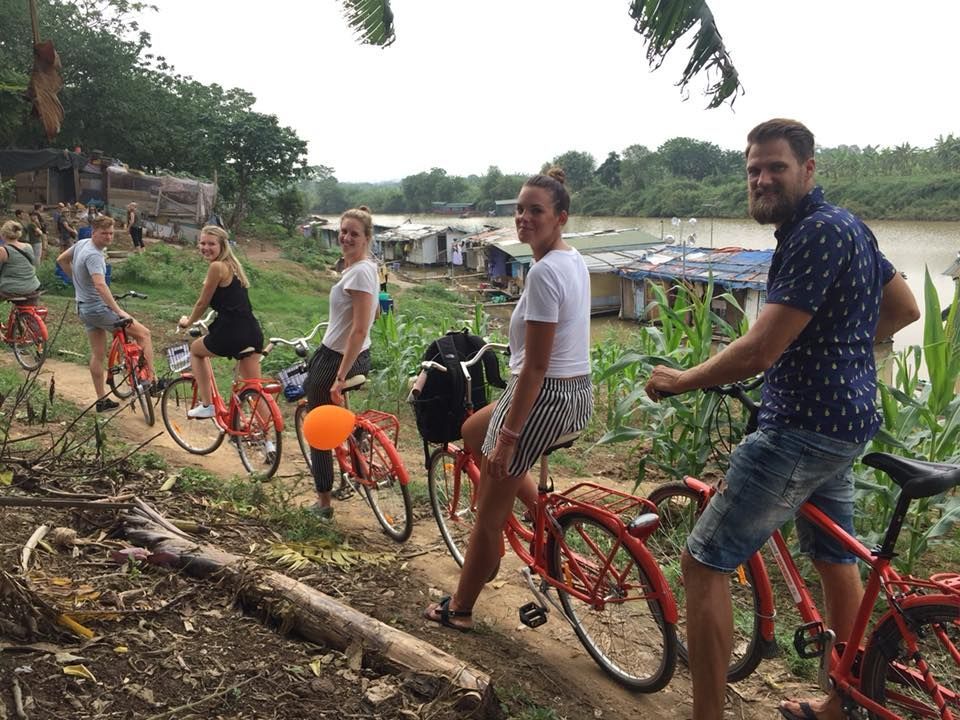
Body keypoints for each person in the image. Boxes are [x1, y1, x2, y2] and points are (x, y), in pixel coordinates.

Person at [644, 119, 920, 720]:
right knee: (835, 557)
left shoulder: (812, 234)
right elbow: (903, 307)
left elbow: (759, 350)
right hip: (845, 424)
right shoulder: (848, 225)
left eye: (777, 167)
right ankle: (843, 701)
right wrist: (838, 342)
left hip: (800, 428)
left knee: (703, 562)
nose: (762, 179)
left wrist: (681, 379)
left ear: (809, 169)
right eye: (754, 170)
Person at [422, 168, 593, 631]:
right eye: (519, 209)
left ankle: (460, 608)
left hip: (543, 397)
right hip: (576, 394)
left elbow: (535, 367)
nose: (523, 217)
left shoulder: (543, 273)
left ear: (560, 217)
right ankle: (541, 513)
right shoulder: (571, 259)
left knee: (487, 516)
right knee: (473, 430)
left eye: (536, 210)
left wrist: (510, 438)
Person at [302, 206, 380, 520]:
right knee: (334, 414)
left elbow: (359, 329)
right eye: (343, 231)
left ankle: (323, 503)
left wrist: (339, 376)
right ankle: (354, 443)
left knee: (317, 426)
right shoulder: (367, 268)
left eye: (353, 234)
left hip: (337, 358)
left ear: (367, 238)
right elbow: (374, 315)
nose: (346, 238)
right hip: (359, 356)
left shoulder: (359, 272)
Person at [176, 226, 267, 447]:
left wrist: (189, 322)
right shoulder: (233, 266)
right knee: (255, 388)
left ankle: (207, 405)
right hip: (251, 331)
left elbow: (202, 302)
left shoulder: (216, 267)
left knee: (196, 351)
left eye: (211, 244)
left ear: (222, 246)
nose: (205, 247)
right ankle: (268, 440)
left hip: (231, 331)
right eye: (202, 243)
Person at [57, 216, 159, 412]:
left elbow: (61, 260)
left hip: (84, 308)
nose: (109, 237)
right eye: (104, 233)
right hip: (98, 308)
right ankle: (151, 381)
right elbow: (100, 285)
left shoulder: (82, 244)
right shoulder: (94, 255)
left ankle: (101, 400)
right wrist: (118, 310)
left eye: (111, 233)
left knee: (98, 354)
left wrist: (78, 282)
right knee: (144, 334)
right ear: (94, 232)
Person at [0, 221, 41, 299]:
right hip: (32, 286)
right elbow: (32, 264)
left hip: (12, 288)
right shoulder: (28, 246)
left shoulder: (3, 250)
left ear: (3, 234)